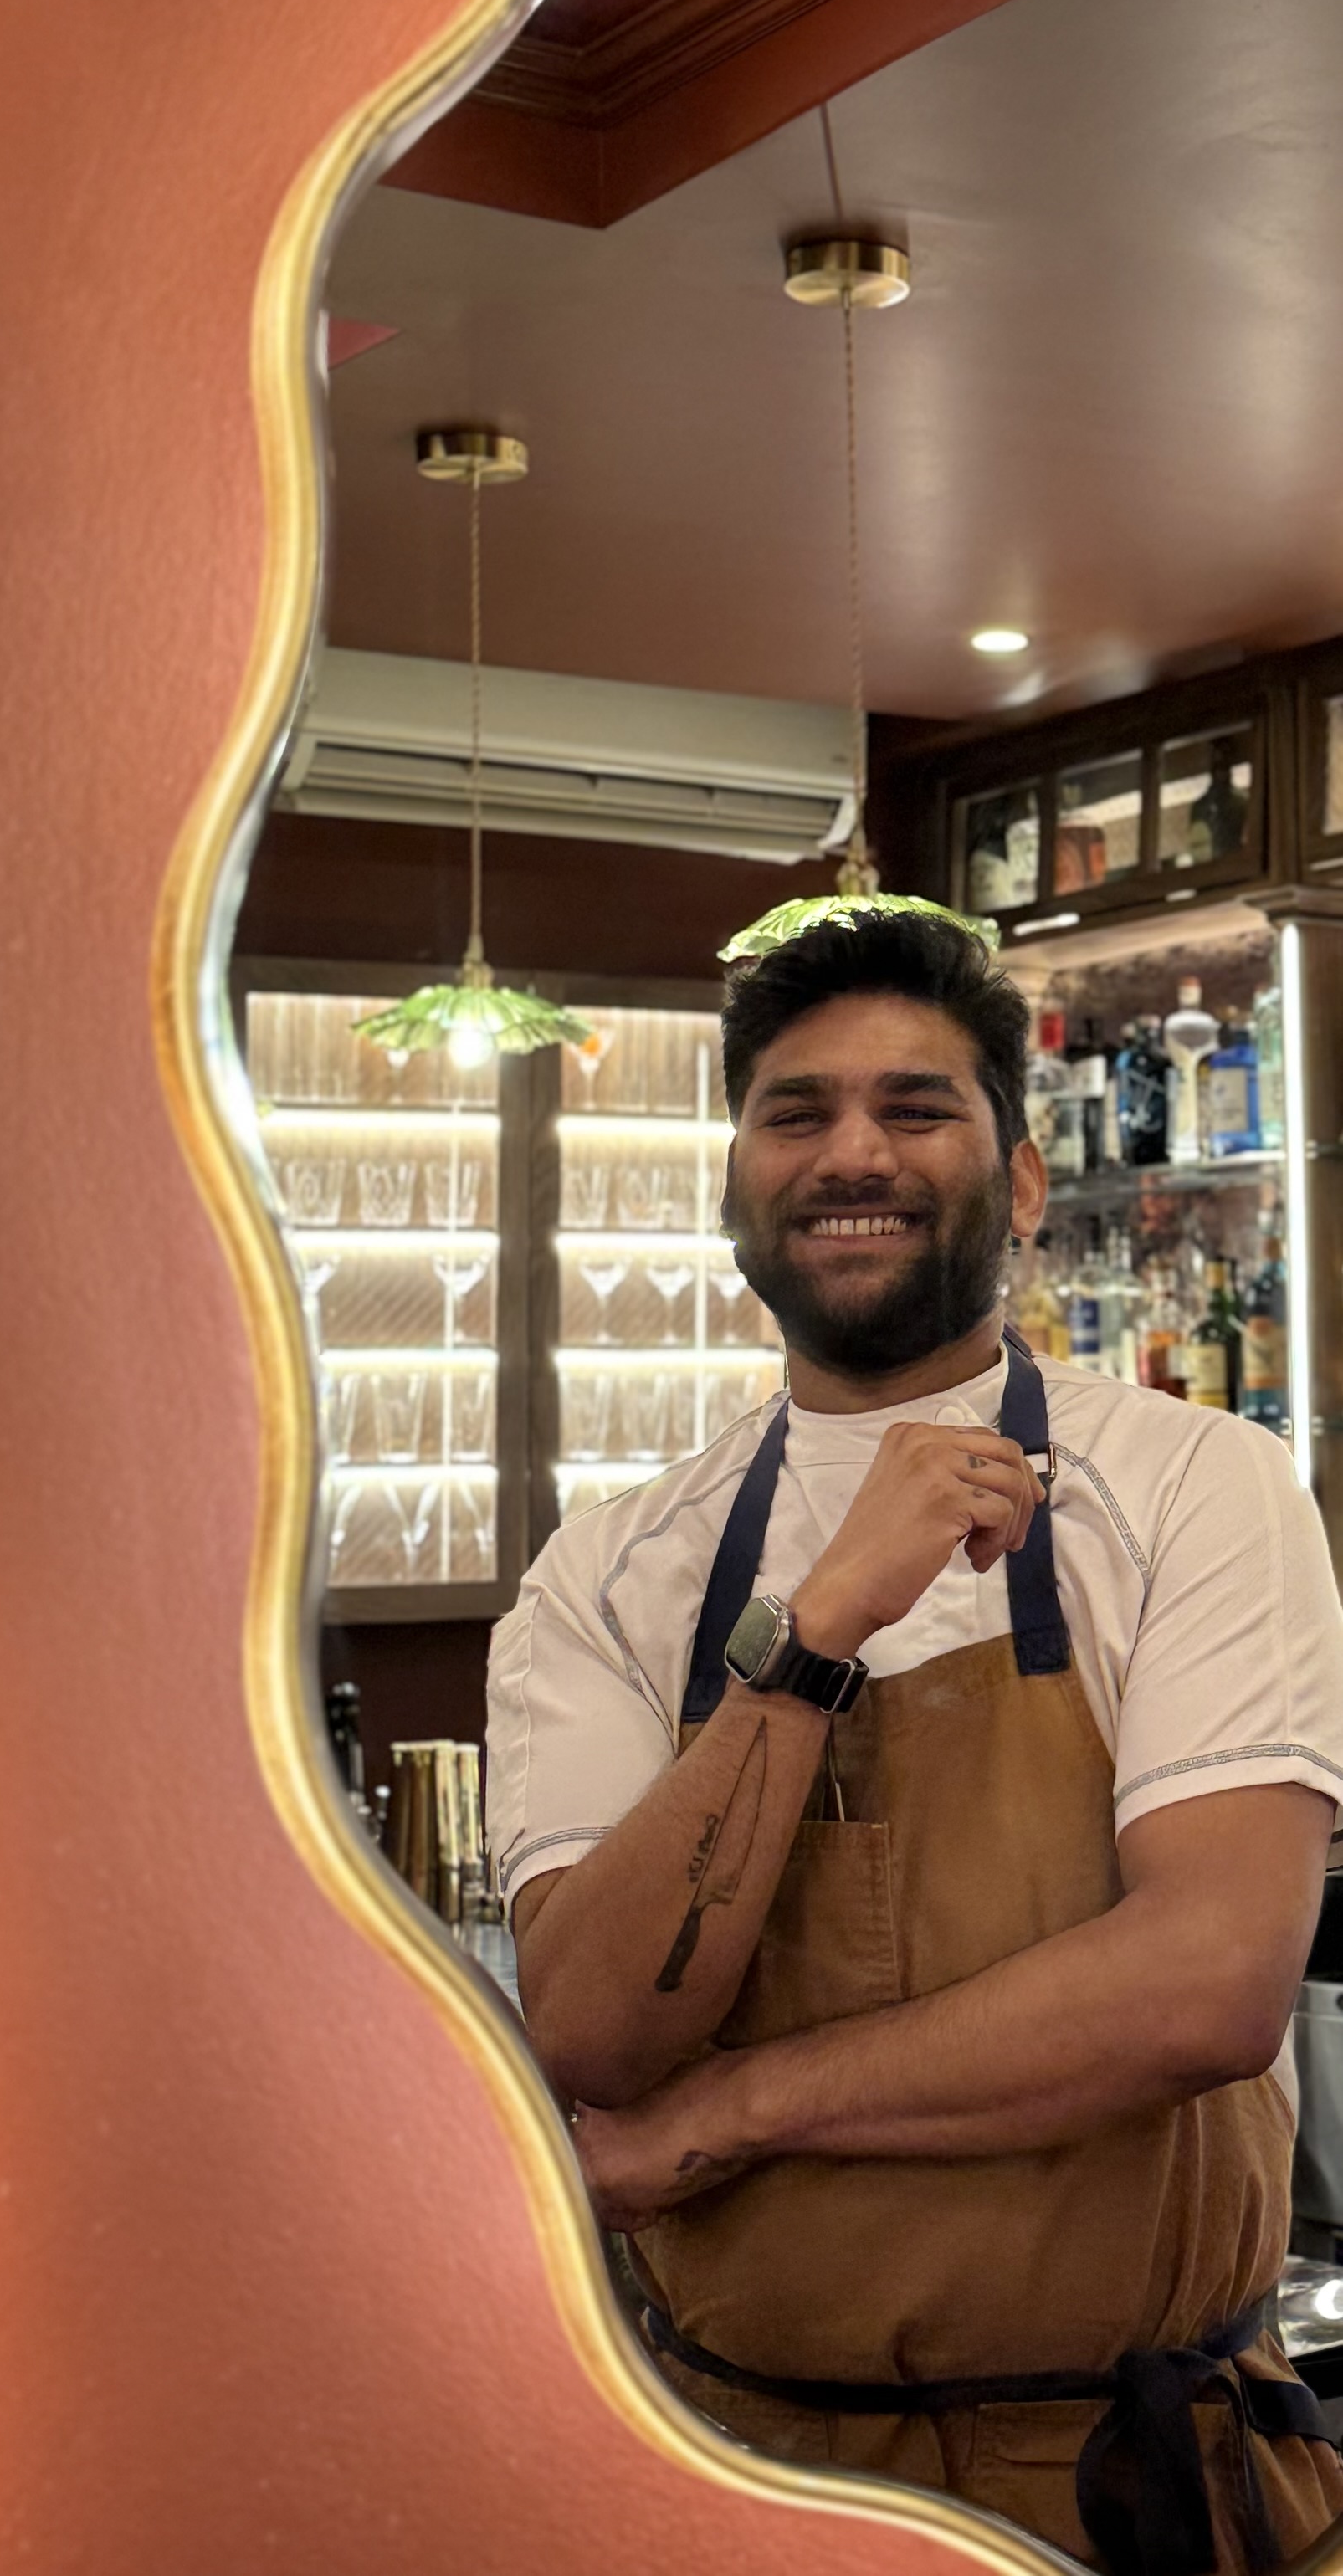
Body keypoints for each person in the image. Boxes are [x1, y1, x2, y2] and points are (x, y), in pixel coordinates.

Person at [486, 909, 1343, 2573]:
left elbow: (1207, 1985)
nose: (852, 1153)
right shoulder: (608, 1569)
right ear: (736, 1182)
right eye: (795, 1113)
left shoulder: (1195, 1489)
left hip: (1134, 2492)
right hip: (731, 2485)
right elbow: (593, 2026)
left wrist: (727, 2116)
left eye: (918, 1107)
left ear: (1024, 1182)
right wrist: (813, 1635)